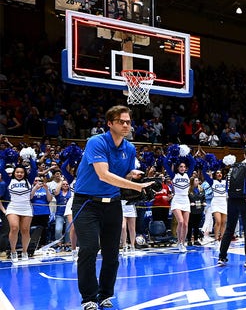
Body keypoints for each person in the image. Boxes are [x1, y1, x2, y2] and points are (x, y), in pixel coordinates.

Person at [72, 105, 154, 310]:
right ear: (110, 123)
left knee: (112, 252)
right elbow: (104, 175)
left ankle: (106, 294)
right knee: (89, 248)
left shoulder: (130, 148)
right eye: (121, 121)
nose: (126, 125)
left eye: (128, 121)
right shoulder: (96, 142)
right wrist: (136, 186)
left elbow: (121, 176)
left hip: (113, 204)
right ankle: (88, 298)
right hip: (87, 203)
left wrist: (132, 176)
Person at [217, 146, 246, 268]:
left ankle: (222, 257)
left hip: (232, 199)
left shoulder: (235, 166)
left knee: (229, 228)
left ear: (243, 155)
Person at [0, 158, 37, 262]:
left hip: (26, 208)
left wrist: (30, 157)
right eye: (17, 172)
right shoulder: (9, 180)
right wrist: (3, 158)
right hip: (13, 207)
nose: (19, 174)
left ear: (24, 173)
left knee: (25, 230)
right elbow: (1, 168)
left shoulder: (29, 180)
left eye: (21, 172)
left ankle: (25, 252)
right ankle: (13, 251)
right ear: (14, 173)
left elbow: (34, 168)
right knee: (14, 228)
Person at [163, 157, 195, 253]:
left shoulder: (188, 175)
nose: (182, 168)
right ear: (178, 167)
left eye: (184, 167)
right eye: (181, 166)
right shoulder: (174, 175)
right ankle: (179, 242)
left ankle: (182, 242)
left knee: (185, 224)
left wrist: (186, 153)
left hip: (185, 199)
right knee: (180, 221)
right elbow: (165, 163)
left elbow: (193, 162)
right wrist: (171, 154)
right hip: (177, 199)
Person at [187, 176, 205, 246]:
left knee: (197, 226)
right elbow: (187, 198)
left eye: (198, 180)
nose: (197, 182)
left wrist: (204, 202)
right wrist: (189, 203)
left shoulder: (201, 189)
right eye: (196, 180)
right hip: (191, 210)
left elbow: (203, 197)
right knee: (190, 225)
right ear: (192, 182)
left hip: (199, 208)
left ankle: (196, 239)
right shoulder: (189, 190)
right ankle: (189, 240)